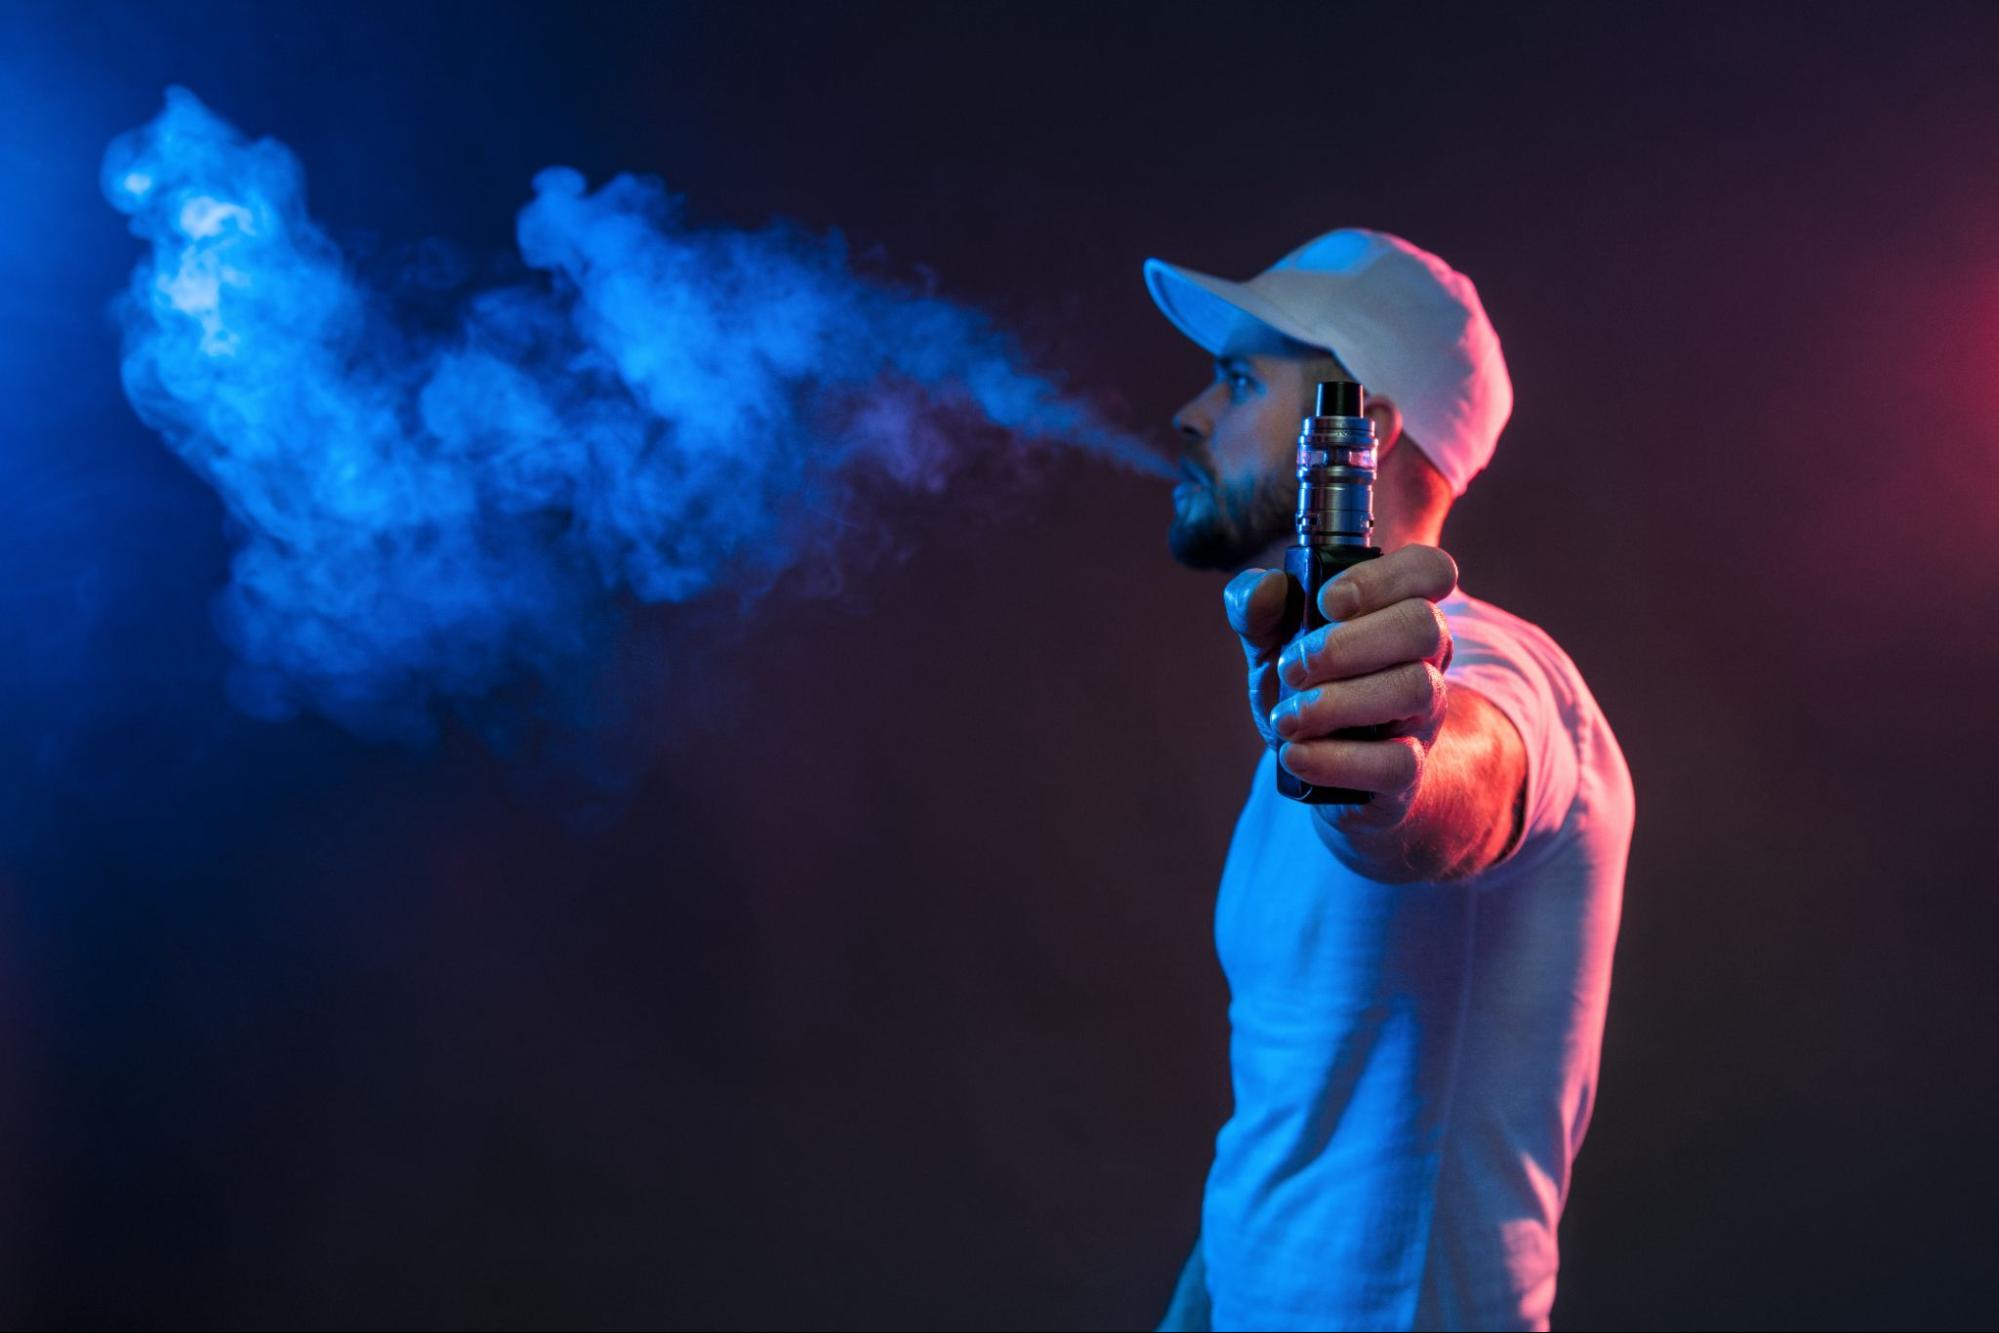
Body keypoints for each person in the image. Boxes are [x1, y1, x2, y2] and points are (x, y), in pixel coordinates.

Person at [1146, 229, 1635, 1332]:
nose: (1187, 414)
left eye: (1236, 380)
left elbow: (1459, 777)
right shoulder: (1302, 694)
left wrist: (1394, 778)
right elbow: (1287, 1126)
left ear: (1354, 434)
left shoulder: (1502, 673)